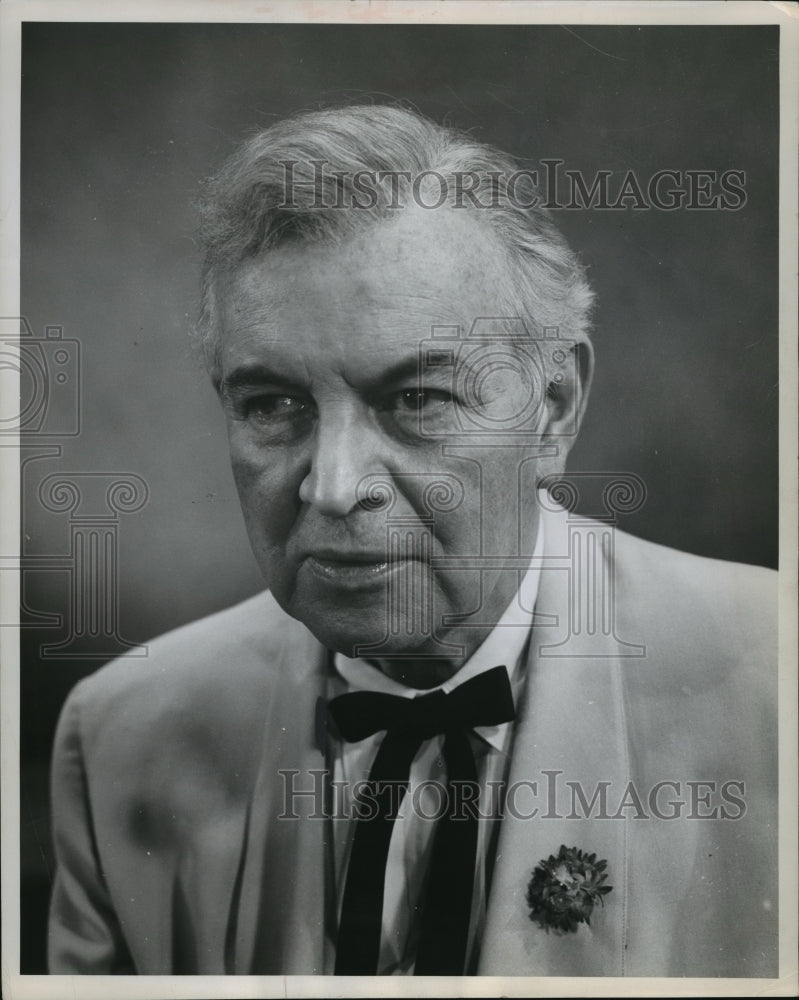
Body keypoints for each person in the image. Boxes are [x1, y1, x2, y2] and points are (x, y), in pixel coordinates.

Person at [47, 104, 777, 978]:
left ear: (553, 411)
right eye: (273, 404)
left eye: (417, 399)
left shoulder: (776, 681)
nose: (333, 486)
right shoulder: (126, 733)